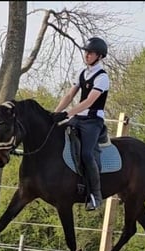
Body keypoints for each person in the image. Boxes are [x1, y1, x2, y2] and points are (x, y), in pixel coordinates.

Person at [52, 37, 110, 211]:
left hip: (93, 121)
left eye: (90, 53)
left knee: (86, 154)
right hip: (78, 118)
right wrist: (54, 114)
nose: (86, 55)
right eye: (86, 52)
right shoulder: (82, 73)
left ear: (99, 56)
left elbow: (89, 102)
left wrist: (67, 113)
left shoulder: (102, 77)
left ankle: (95, 196)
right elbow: (69, 96)